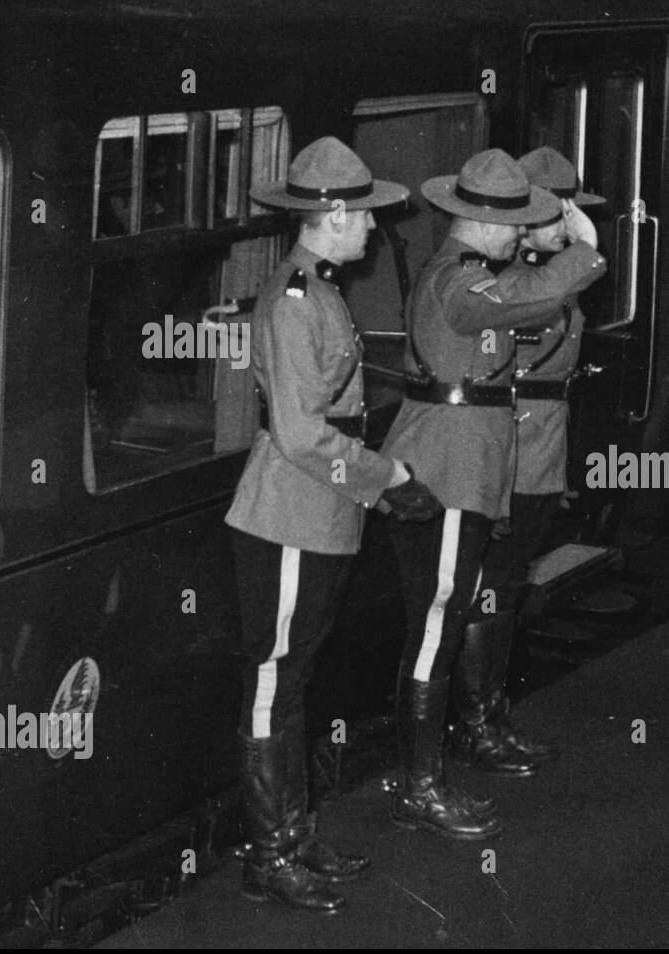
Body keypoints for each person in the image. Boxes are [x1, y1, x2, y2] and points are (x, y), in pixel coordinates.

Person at [226, 137, 444, 912]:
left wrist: (374, 488)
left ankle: (294, 836)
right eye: (370, 220)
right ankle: (269, 853)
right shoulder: (293, 300)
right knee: (272, 685)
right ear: (337, 215)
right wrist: (388, 479)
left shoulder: (318, 292)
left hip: (318, 513)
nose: (377, 233)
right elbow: (300, 432)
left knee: (294, 682)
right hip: (288, 512)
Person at [381, 149, 606, 834]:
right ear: (483, 221)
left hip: (464, 466)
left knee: (443, 622)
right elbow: (513, 300)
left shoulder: (467, 273)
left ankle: (428, 776)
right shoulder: (457, 279)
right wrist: (586, 253)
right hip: (447, 469)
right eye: (516, 225)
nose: (520, 238)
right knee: (435, 627)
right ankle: (420, 786)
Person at [441, 145, 606, 779]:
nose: (569, 223)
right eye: (561, 213)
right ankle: (477, 724)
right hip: (513, 445)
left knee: (503, 589)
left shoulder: (540, 271)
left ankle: (489, 715)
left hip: (538, 444)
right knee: (494, 588)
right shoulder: (511, 279)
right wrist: (574, 257)